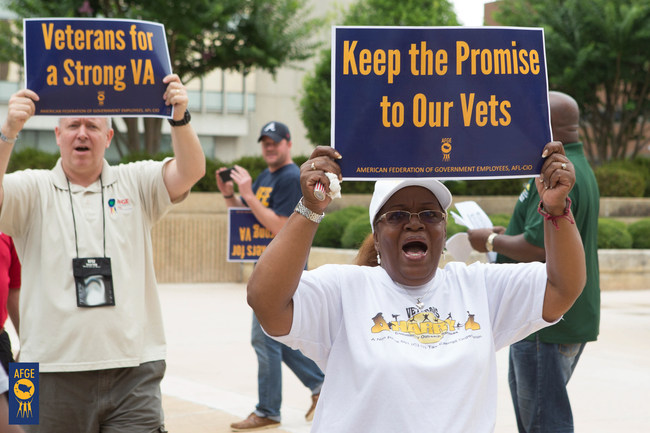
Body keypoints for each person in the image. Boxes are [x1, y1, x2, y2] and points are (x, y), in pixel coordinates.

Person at [245, 141, 586, 433]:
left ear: (443, 227)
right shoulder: (345, 288)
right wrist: (310, 207)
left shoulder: (478, 286)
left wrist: (555, 209)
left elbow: (562, 288)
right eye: (395, 216)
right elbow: (267, 302)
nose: (414, 223)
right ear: (377, 236)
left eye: (429, 214)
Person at [0, 74, 206, 433]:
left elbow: (191, 171)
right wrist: (8, 132)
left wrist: (179, 117)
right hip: (40, 370)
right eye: (73, 125)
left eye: (93, 126)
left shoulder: (136, 181)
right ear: (57, 135)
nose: (82, 133)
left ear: (108, 137)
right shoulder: (30, 187)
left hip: (135, 370)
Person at [467, 91, 600, 433]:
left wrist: (490, 241)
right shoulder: (577, 169)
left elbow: (537, 245)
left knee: (543, 423)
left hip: (545, 320)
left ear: (549, 127)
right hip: (560, 318)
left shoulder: (558, 177)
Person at [216, 121, 324, 431]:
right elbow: (248, 219)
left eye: (275, 141)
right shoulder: (265, 177)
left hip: (283, 274)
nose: (269, 146)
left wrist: (248, 195)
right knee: (275, 340)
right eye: (265, 141)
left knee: (263, 339)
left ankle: (268, 410)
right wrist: (230, 196)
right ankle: (321, 386)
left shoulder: (291, 178)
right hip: (267, 270)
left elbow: (279, 226)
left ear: (289, 144)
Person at [0, 233, 20, 375]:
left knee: (24, 397)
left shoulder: (8, 231)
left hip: (1, 337)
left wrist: (26, 341)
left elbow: (14, 290)